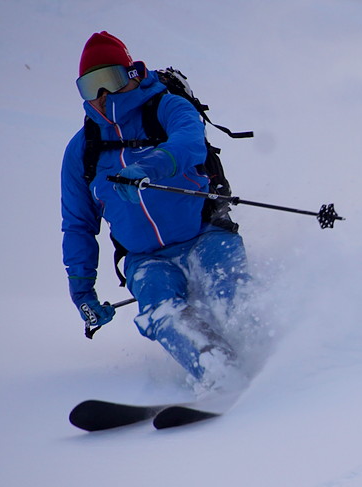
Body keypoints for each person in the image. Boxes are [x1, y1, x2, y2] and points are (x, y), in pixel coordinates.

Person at [61, 31, 251, 394]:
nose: (102, 96)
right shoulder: (82, 150)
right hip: (146, 259)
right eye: (90, 86)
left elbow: (189, 143)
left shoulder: (168, 107)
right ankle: (219, 373)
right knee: (163, 312)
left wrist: (150, 166)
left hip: (205, 232)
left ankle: (276, 366)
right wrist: (82, 292)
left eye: (110, 80)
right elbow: (78, 225)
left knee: (230, 295)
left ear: (131, 74)